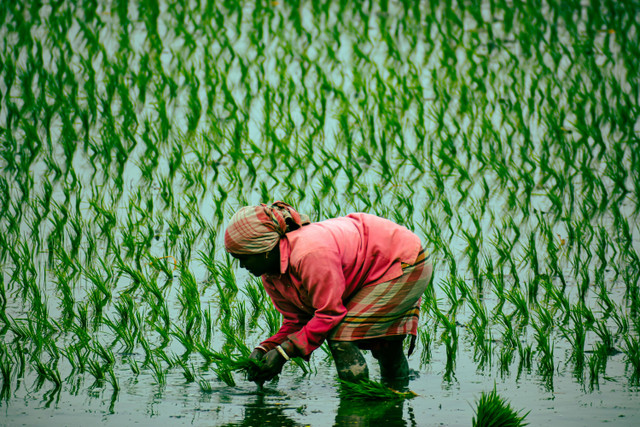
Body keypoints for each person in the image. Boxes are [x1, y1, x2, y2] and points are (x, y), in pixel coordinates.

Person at [224, 201, 432, 388]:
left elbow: (330, 314)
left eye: (245, 258)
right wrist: (265, 348)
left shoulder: (310, 254)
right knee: (385, 344)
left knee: (341, 334)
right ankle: (393, 397)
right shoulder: (272, 275)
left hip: (402, 262)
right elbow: (297, 321)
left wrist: (283, 353)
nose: (242, 266)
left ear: (265, 249)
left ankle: (356, 401)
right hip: (372, 269)